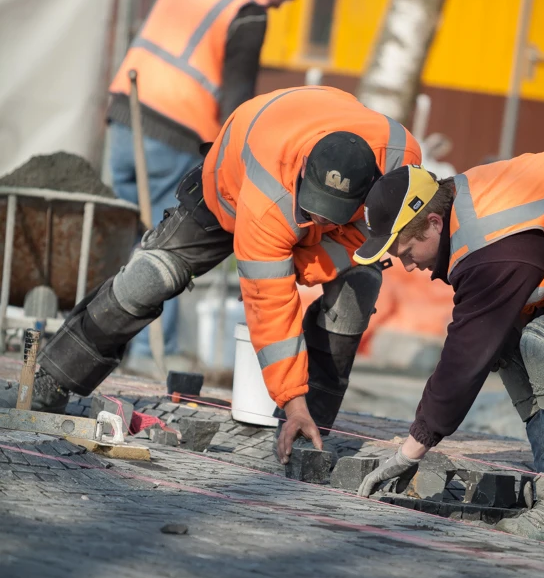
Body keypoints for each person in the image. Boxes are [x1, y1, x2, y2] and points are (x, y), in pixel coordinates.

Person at [23, 86, 422, 459]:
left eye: (328, 212)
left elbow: (373, 239)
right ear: (303, 173)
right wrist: (266, 280)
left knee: (360, 286)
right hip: (227, 196)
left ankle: (308, 430)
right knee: (149, 278)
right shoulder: (270, 194)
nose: (316, 218)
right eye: (313, 208)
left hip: (328, 209)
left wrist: (295, 267)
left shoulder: (402, 166)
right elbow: (270, 306)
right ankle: (51, 381)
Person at [353, 147, 544, 540]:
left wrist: (411, 449)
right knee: (508, 341)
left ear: (434, 223)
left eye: (406, 252)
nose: (407, 266)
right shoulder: (460, 212)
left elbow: (463, 360)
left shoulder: (487, 242)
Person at [107, 0, 312, 360]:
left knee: (123, 237)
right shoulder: (248, 7)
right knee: (167, 245)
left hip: (124, 113)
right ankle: (150, 354)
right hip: (175, 130)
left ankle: (105, 340)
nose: (274, 6)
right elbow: (237, 99)